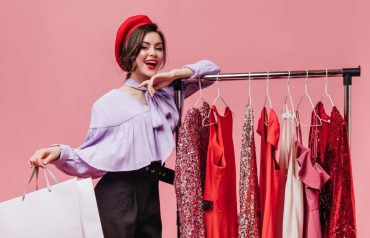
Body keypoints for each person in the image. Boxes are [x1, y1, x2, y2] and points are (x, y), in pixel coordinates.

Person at [28, 14, 220, 238]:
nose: (153, 54)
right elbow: (91, 159)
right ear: (131, 54)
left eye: (158, 48)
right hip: (116, 200)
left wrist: (174, 75)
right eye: (144, 47)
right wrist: (59, 152)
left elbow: (212, 71)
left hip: (150, 196)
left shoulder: (168, 93)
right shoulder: (108, 104)